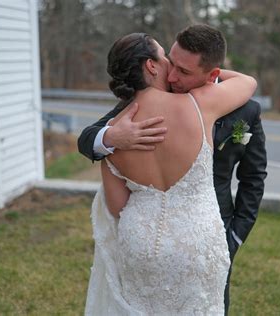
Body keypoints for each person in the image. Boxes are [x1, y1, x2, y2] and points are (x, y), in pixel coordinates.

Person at [80, 25, 267, 314]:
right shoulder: (200, 105)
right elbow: (248, 81)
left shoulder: (118, 125)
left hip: (140, 243)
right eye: (168, 58)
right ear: (151, 65)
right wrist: (108, 139)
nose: (173, 73)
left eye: (184, 69)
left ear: (211, 73)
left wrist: (112, 139)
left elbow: (117, 207)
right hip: (199, 239)